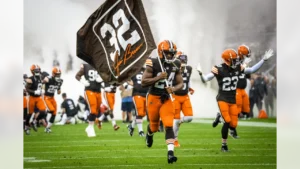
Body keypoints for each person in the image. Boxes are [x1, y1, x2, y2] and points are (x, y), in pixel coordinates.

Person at [197, 48, 273, 152]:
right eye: (233, 60)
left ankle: (220, 117)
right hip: (222, 99)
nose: (236, 62)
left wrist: (263, 60)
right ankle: (224, 145)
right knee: (227, 122)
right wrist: (201, 74)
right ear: (227, 60)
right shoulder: (219, 68)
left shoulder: (237, 67)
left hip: (232, 100)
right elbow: (205, 79)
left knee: (233, 125)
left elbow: (251, 70)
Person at [142, 40, 183, 164]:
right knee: (154, 126)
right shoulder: (153, 62)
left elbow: (180, 83)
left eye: (172, 53)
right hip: (154, 97)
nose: (170, 56)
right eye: (168, 53)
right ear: (161, 52)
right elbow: (143, 82)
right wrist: (158, 77)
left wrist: (174, 88)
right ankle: (149, 134)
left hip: (166, 97)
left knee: (168, 124)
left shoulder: (176, 63)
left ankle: (170, 154)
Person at [172, 52, 194, 147]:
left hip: (185, 96)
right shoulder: (172, 69)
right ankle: (175, 139)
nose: (183, 61)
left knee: (189, 117)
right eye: (181, 60)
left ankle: (179, 121)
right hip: (175, 96)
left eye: (184, 59)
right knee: (175, 120)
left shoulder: (188, 69)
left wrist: (190, 87)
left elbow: (187, 79)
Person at [75, 63, 103, 137]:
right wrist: (82, 81)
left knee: (96, 110)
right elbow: (77, 75)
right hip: (89, 90)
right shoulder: (86, 66)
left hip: (98, 91)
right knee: (93, 110)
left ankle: (90, 127)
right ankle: (90, 128)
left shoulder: (101, 65)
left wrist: (103, 78)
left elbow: (109, 75)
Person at [127, 65, 149, 137]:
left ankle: (131, 127)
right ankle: (141, 132)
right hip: (137, 94)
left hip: (146, 94)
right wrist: (132, 84)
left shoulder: (147, 71)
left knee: (143, 114)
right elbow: (125, 77)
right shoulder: (134, 70)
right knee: (139, 113)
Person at [24, 64, 47, 134]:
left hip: (39, 98)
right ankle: (26, 127)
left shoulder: (41, 77)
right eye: (35, 70)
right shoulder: (30, 79)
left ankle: (34, 121)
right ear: (32, 71)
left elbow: (41, 84)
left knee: (43, 111)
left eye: (38, 70)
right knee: (29, 114)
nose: (37, 71)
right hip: (32, 97)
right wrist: (34, 91)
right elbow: (26, 89)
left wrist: (43, 90)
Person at [42, 67, 63, 133]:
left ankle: (48, 128)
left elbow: (59, 93)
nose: (58, 76)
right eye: (56, 74)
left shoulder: (60, 81)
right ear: (53, 74)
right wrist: (43, 82)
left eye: (59, 74)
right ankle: (41, 116)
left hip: (52, 98)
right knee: (51, 110)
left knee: (54, 113)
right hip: (46, 97)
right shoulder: (48, 79)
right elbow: (42, 82)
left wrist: (59, 86)